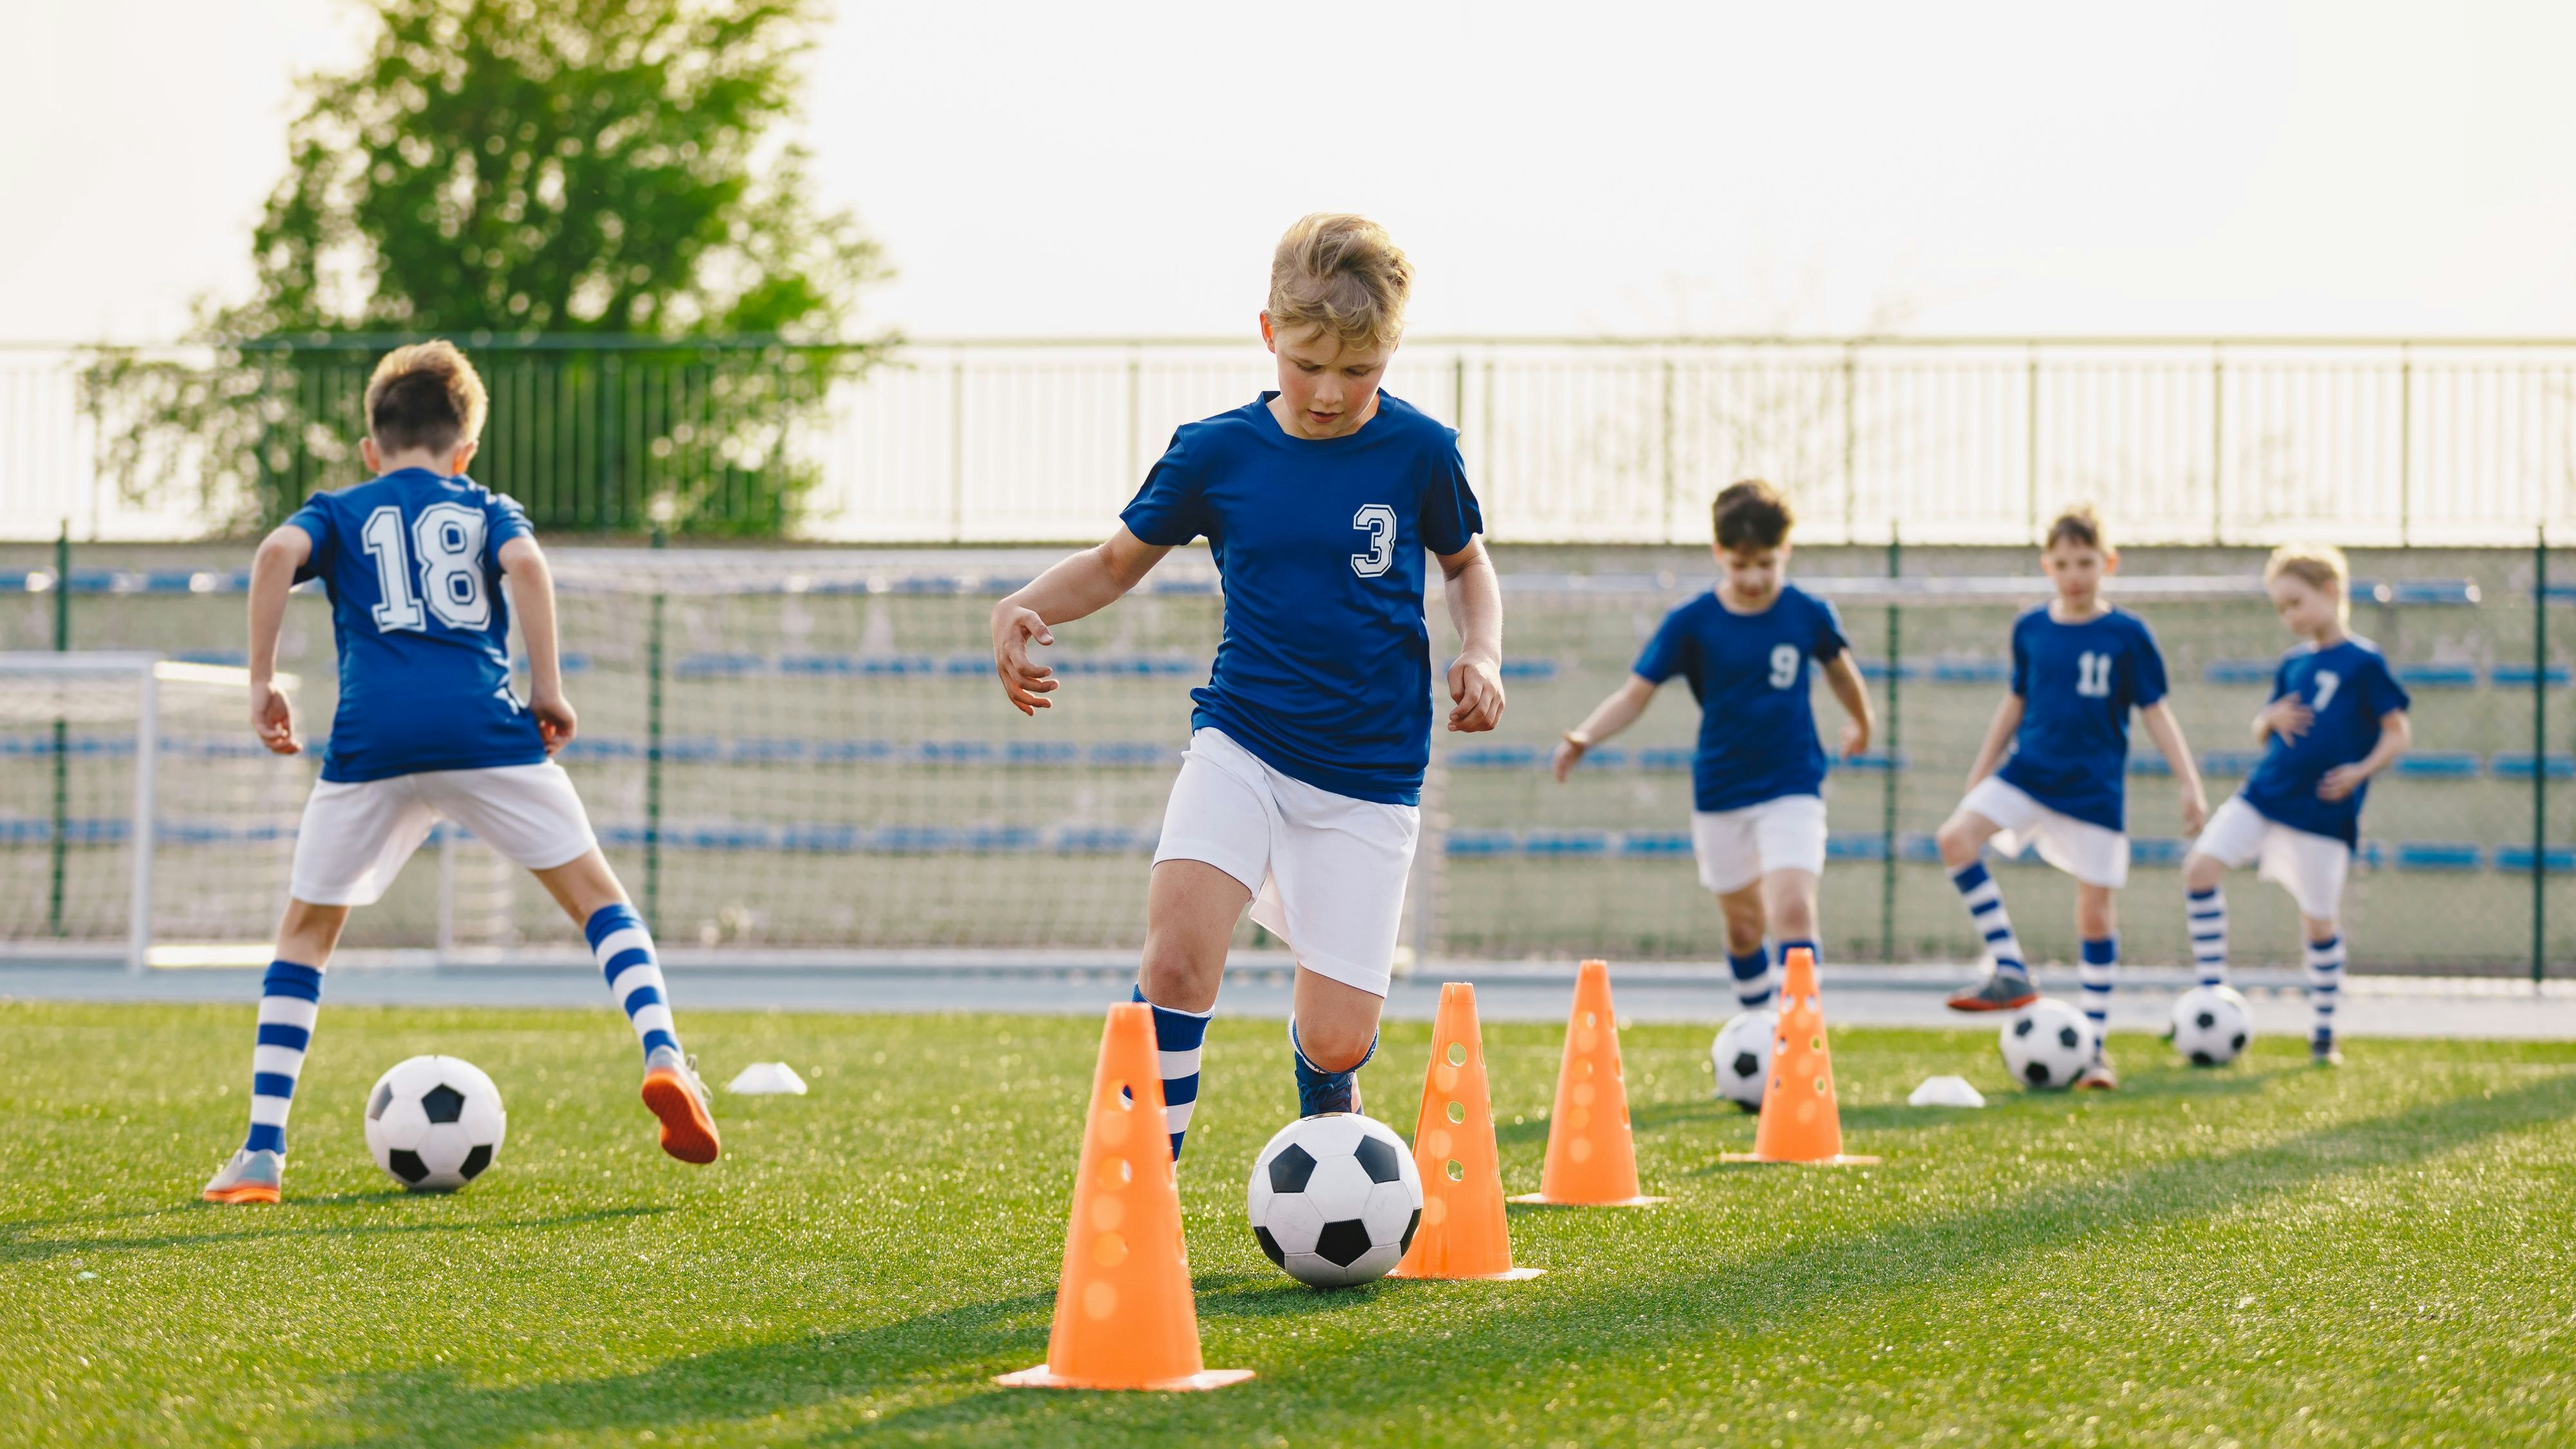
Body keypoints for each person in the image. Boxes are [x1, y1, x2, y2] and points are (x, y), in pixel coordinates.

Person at [988, 214, 1504, 1159]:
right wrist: (1024, 605)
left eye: (1361, 372)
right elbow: (1112, 563)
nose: (1331, 392)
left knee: (1339, 1030)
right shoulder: (1215, 452)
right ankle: (1142, 1193)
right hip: (1243, 741)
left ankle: (1329, 1082)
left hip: (1371, 772)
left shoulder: (1422, 451)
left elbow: (1469, 565)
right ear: (1270, 333)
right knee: (1179, 955)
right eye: (1311, 363)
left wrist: (1483, 651)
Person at [201, 341, 718, 1206]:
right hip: (486, 731)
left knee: (303, 938)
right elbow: (527, 566)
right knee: (601, 903)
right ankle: (664, 1052)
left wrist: (262, 684)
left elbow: (270, 558)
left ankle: (260, 1152)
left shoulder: (340, 506)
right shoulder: (487, 508)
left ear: (373, 446)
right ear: (465, 448)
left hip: (372, 745)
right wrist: (547, 689)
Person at [1550, 480, 1871, 1012]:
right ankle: (1755, 1027)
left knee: (1793, 908)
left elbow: (1842, 673)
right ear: (1720, 553)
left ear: (1785, 551)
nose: (1754, 578)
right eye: (1741, 565)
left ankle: (1798, 1045)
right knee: (1745, 928)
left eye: (1766, 564)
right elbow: (1636, 694)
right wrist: (1586, 735)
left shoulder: (1808, 614)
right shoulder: (1692, 622)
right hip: (1722, 790)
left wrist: (1863, 722)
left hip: (1793, 784)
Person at [1937, 506, 2206, 1090]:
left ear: (2108, 563)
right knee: (1955, 838)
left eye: (2086, 562)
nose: (2074, 574)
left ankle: (2095, 1051)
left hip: (2093, 793)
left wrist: (2189, 781)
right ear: (2046, 566)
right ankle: (2010, 967)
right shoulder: (2031, 628)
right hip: (2029, 773)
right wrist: (1982, 769)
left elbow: (2155, 711)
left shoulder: (2127, 635)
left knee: (2094, 913)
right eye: (2062, 564)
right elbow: (2015, 702)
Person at [2181, 543, 2410, 1066]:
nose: (2289, 617)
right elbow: (2266, 724)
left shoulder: (2365, 663)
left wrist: (2358, 771)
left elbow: (2398, 732)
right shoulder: (2292, 664)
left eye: (2295, 603)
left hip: (2322, 813)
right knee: (2199, 869)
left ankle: (2324, 1034)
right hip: (2264, 795)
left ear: (2330, 593)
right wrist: (2268, 720)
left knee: (2318, 923)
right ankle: (2212, 998)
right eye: (2281, 608)